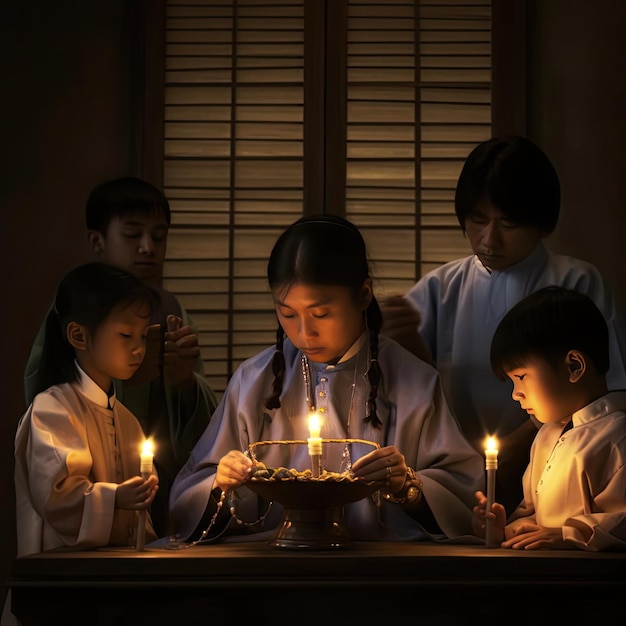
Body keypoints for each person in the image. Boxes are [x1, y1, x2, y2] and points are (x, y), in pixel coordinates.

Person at [167, 214, 485, 546]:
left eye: (321, 314)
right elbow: (189, 498)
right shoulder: (254, 380)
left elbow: (464, 497)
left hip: (385, 566)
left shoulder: (413, 380)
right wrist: (222, 483)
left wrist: (406, 484)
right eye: (287, 314)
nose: (305, 333)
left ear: (363, 295)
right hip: (272, 563)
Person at [381, 135, 626, 517]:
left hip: (563, 461)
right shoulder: (441, 287)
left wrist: (518, 445)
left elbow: (604, 392)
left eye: (508, 223)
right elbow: (411, 386)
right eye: (478, 221)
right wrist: (407, 342)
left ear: (541, 224)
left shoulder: (575, 282)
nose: (489, 239)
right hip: (455, 467)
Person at [23, 176, 219, 537]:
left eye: (159, 237)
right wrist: (129, 379)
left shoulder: (171, 310)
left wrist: (183, 383)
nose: (148, 247)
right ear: (98, 241)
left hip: (159, 490)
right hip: (84, 503)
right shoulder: (74, 310)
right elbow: (46, 390)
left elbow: (202, 434)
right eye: (132, 235)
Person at [14, 262, 160, 556]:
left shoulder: (127, 420)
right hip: (66, 573)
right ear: (79, 336)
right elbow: (57, 497)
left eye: (143, 336)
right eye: (126, 335)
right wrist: (116, 496)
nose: (138, 349)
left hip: (118, 567)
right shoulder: (52, 411)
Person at [473, 286, 626, 551]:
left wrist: (569, 535)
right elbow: (534, 518)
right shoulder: (546, 436)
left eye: (521, 377)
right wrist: (505, 529)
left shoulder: (616, 437)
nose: (516, 394)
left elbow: (620, 521)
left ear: (574, 366)